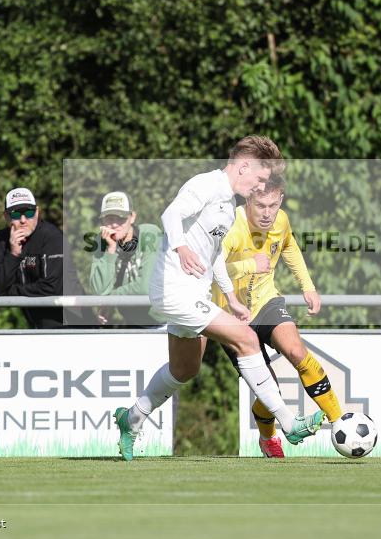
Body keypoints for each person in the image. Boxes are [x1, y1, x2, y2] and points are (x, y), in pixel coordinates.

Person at [113, 136, 325, 461]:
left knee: (184, 369)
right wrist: (181, 248)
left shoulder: (228, 206)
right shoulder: (206, 185)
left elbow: (214, 257)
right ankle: (288, 423)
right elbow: (171, 214)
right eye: (260, 178)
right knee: (247, 338)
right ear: (243, 166)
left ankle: (132, 418)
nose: (260, 186)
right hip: (174, 289)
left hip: (194, 291)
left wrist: (230, 296)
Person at [214, 173, 342, 458]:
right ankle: (268, 437)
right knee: (268, 387)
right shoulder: (231, 226)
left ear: (280, 200)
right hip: (231, 313)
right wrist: (249, 264)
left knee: (297, 351)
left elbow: (289, 246)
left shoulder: (281, 220)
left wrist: (307, 286)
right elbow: (213, 267)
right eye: (261, 205)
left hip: (266, 301)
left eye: (273, 205)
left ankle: (339, 421)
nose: (267, 213)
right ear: (247, 199)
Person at [0, 187, 85, 328]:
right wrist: (13, 254)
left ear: (37, 212)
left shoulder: (53, 237)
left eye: (29, 212)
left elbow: (52, 288)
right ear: (6, 216)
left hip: (72, 322)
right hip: (36, 324)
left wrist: (10, 292)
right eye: (15, 214)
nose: (23, 220)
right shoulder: (2, 239)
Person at [89, 191, 163, 326]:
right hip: (134, 324)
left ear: (132, 217)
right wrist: (109, 251)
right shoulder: (101, 242)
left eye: (121, 218)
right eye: (109, 218)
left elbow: (145, 288)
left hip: (166, 323)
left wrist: (110, 299)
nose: (115, 224)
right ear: (102, 220)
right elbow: (99, 292)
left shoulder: (149, 234)